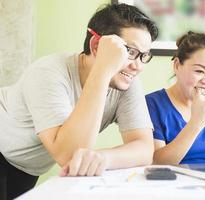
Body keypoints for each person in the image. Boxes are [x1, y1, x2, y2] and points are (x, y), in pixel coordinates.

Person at [0, 3, 158, 199]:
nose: (138, 66)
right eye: (130, 52)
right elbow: (69, 156)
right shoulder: (48, 73)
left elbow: (144, 148)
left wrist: (101, 158)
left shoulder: (125, 80)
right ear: (96, 45)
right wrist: (103, 70)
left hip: (27, 165)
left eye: (144, 56)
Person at [146, 32, 205, 165]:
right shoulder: (152, 104)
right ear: (177, 65)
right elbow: (156, 163)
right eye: (199, 71)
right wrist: (196, 123)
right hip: (172, 183)